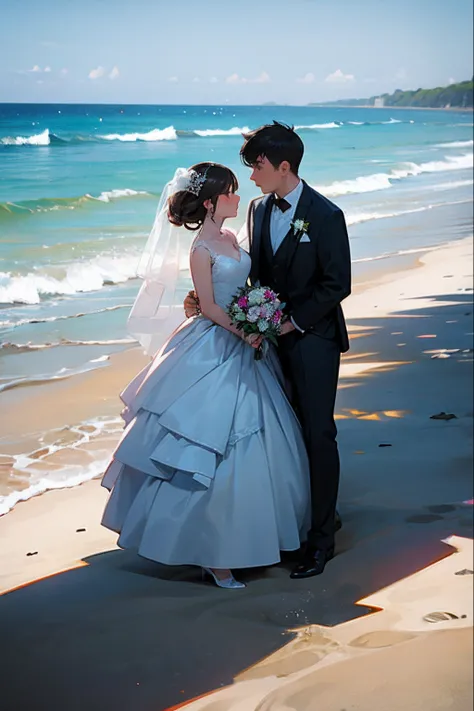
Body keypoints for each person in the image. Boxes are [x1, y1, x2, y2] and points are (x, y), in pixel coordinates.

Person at [101, 162, 311, 589]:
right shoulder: (201, 249)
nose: (238, 197)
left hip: (245, 338)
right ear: (213, 202)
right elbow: (211, 308)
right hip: (216, 342)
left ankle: (259, 538)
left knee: (262, 439)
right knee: (206, 444)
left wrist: (257, 317)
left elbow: (233, 292)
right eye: (231, 192)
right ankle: (215, 556)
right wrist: (247, 331)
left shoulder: (231, 236)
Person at [185, 124, 351, 578]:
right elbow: (251, 273)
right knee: (288, 433)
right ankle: (304, 520)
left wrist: (291, 321)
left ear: (283, 166)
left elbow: (338, 284)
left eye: (256, 166)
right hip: (266, 339)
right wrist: (208, 299)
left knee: (318, 433)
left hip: (313, 338)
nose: (252, 176)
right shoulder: (258, 209)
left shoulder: (326, 215)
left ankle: (321, 542)